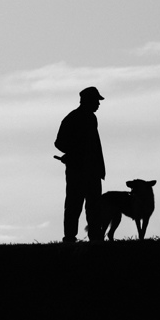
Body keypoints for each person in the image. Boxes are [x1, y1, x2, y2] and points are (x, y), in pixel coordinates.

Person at [54, 86, 106, 242]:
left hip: (92, 170)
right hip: (77, 170)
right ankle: (70, 238)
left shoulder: (91, 118)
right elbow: (59, 143)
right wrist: (75, 154)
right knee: (74, 205)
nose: (98, 104)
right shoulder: (73, 118)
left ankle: (95, 237)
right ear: (87, 101)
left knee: (93, 206)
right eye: (96, 100)